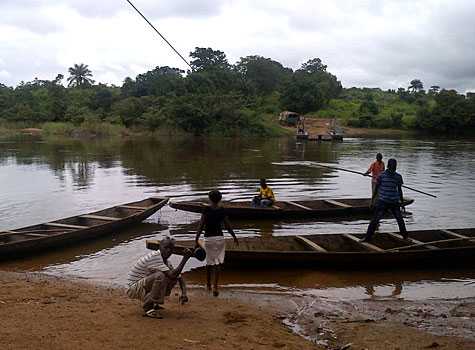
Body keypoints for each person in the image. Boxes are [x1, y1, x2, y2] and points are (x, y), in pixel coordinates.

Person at [126, 237, 192, 318]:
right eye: (166, 247)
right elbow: (172, 274)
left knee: (171, 278)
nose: (168, 250)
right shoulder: (156, 257)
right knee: (161, 276)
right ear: (159, 247)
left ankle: (153, 303)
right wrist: (185, 259)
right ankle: (148, 308)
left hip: (140, 287)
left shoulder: (166, 262)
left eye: (170, 248)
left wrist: (184, 294)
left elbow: (178, 277)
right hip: (133, 288)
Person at [195, 190, 238, 297]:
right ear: (220, 199)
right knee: (218, 263)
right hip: (219, 238)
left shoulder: (206, 209)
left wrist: (196, 239)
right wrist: (234, 236)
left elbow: (201, 225)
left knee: (209, 263)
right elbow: (227, 226)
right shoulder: (222, 210)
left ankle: (208, 285)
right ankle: (215, 286)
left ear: (210, 198)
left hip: (209, 239)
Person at [361, 158, 408, 242]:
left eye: (395, 167)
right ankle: (367, 238)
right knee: (375, 220)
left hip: (394, 202)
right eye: (392, 167)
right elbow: (376, 189)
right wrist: (372, 201)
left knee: (400, 220)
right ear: (388, 166)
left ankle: (405, 237)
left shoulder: (398, 177)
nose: (394, 168)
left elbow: (400, 190)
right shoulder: (381, 176)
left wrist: (402, 203)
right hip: (383, 201)